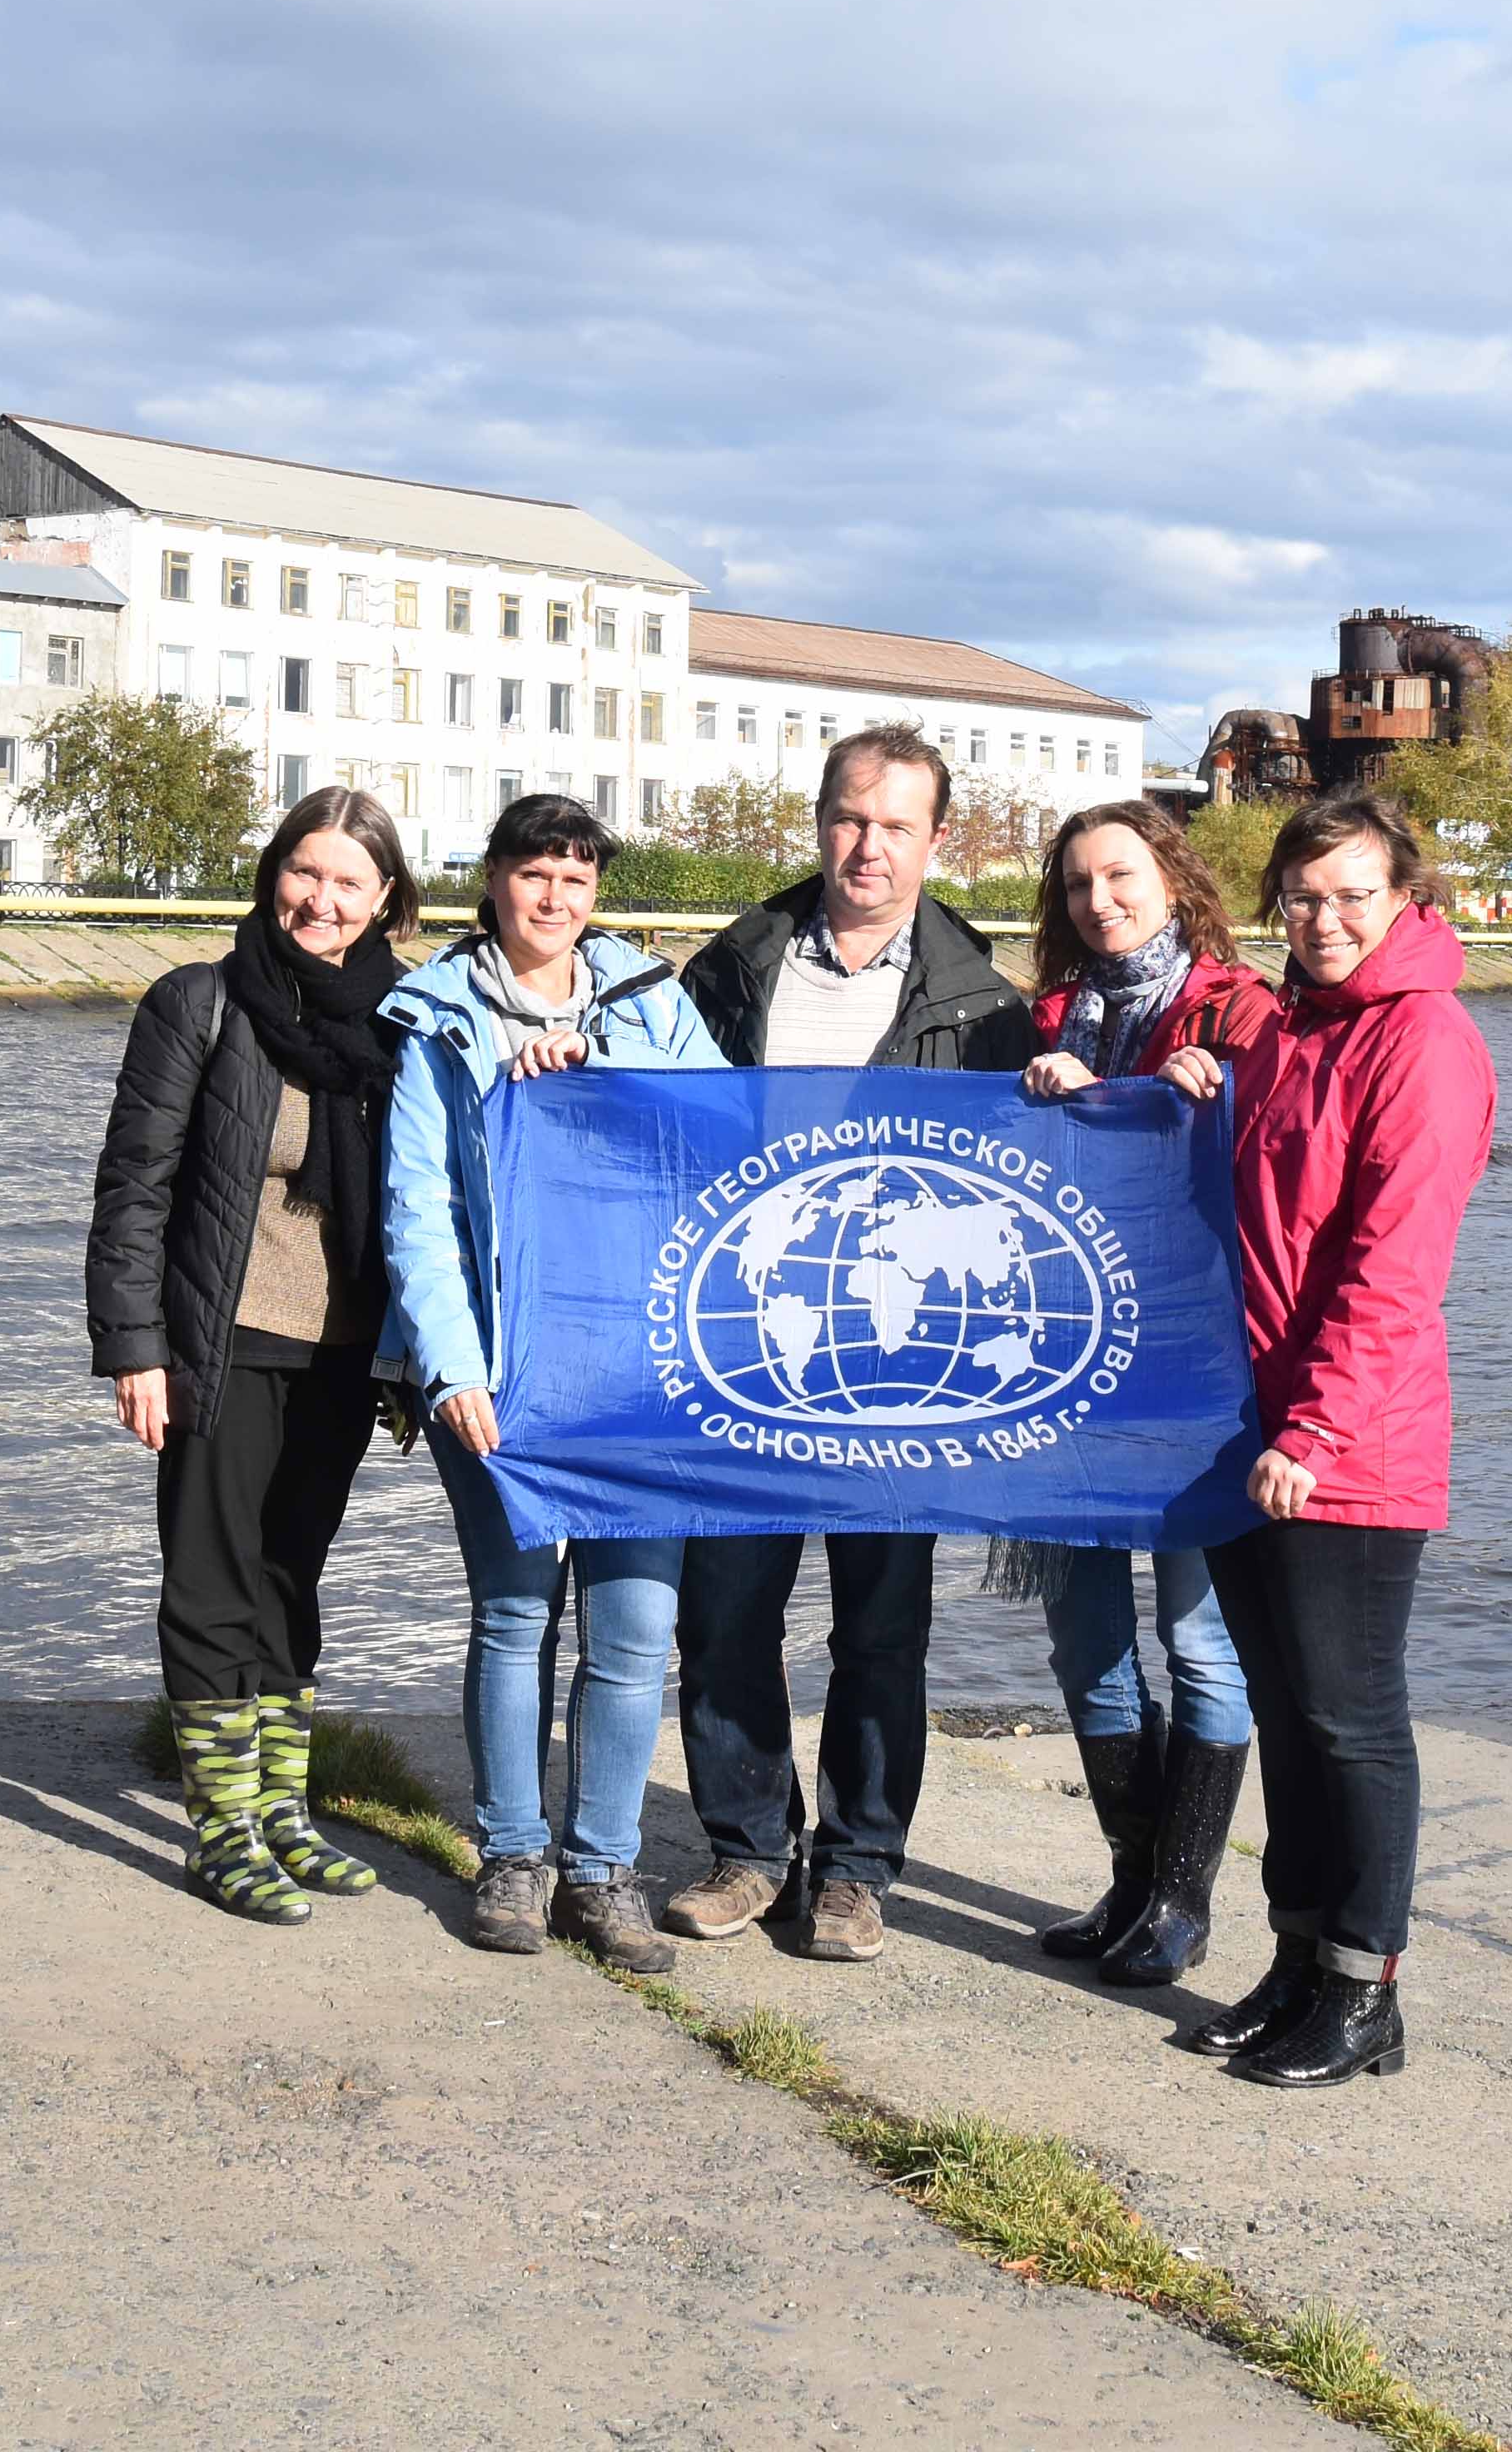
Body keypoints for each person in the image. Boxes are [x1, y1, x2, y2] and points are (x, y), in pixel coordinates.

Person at [661, 724, 1037, 1960]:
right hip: (746, 1350)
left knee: (881, 1629)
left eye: (893, 825)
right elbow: (648, 1108)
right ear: (818, 820)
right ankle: (746, 1850)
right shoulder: (735, 967)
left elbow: (1030, 1184)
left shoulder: (986, 1007)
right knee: (724, 1616)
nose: (865, 846)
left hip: (896, 1364)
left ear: (938, 840)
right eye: (847, 817)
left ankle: (859, 1867)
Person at [1176, 789, 1495, 2091]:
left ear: (1404, 899)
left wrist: (1314, 1428)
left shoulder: (1423, 1041)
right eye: (1304, 897)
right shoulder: (1287, 1035)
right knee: (1291, 1715)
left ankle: (1367, 1990)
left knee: (1352, 1719)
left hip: (1346, 1446)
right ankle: (1300, 1959)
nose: (1326, 919)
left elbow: (1391, 1268)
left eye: (1354, 894)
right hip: (1251, 1435)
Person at [382, 791, 729, 1969]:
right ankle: (515, 1856)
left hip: (638, 1372)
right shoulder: (437, 1020)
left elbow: (721, 1142)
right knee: (516, 1612)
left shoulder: (651, 1004)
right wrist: (451, 1367)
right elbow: (416, 1208)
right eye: (535, 875)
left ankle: (603, 1867)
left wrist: (599, 1079)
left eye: (576, 880)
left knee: (634, 1628)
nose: (554, 899)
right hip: (504, 1374)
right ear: (492, 880)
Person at [85, 785, 418, 1927]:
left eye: (347, 884)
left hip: (341, 1352)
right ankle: (219, 1827)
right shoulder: (201, 1004)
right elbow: (135, 1187)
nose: (320, 901)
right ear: (274, 871)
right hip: (216, 1344)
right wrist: (135, 1348)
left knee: (290, 1579)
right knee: (213, 1579)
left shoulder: (399, 1023)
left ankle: (282, 1811)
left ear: (383, 903)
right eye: (305, 872)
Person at [1007, 797, 1275, 1987]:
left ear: (1171, 876)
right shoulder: (1049, 1018)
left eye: (1120, 876)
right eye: (1076, 885)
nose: (1098, 902)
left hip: (1196, 1374)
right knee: (1087, 1642)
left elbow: (1287, 1166)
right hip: (1060, 1372)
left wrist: (1223, 1095)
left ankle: (1180, 1900)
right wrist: (1040, 1102)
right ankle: (1128, 1880)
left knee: (1198, 1639)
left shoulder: (1242, 1009)